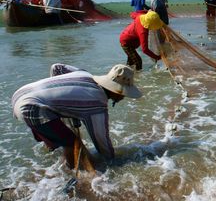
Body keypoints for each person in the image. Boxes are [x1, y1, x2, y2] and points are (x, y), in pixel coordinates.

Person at [12, 63, 142, 168]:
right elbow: (101, 141)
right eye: (123, 93)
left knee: (58, 136)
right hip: (32, 108)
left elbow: (56, 67)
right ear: (116, 91)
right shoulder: (97, 103)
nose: (123, 97)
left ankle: (51, 158)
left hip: (21, 94)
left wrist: (62, 98)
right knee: (73, 143)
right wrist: (112, 162)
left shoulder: (84, 74)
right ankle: (71, 172)